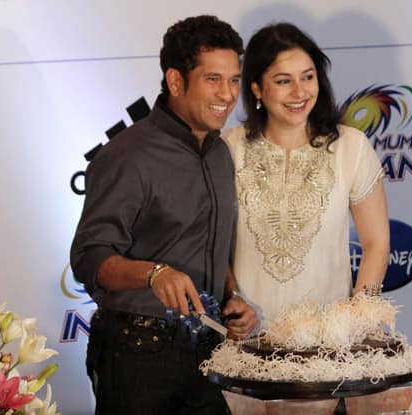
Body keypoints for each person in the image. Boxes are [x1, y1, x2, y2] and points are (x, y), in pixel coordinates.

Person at [70, 15, 257, 414]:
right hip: (136, 355)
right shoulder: (128, 155)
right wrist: (154, 274)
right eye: (213, 79)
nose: (227, 94)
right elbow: (89, 257)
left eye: (234, 79)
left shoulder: (221, 153)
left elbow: (210, 244)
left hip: (207, 352)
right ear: (175, 82)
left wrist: (233, 296)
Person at [224, 22, 390, 329]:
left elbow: (377, 243)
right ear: (257, 88)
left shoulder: (349, 146)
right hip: (247, 343)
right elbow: (212, 246)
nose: (300, 93)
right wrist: (231, 295)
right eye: (284, 81)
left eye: (308, 77)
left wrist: (356, 320)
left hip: (328, 346)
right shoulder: (230, 148)